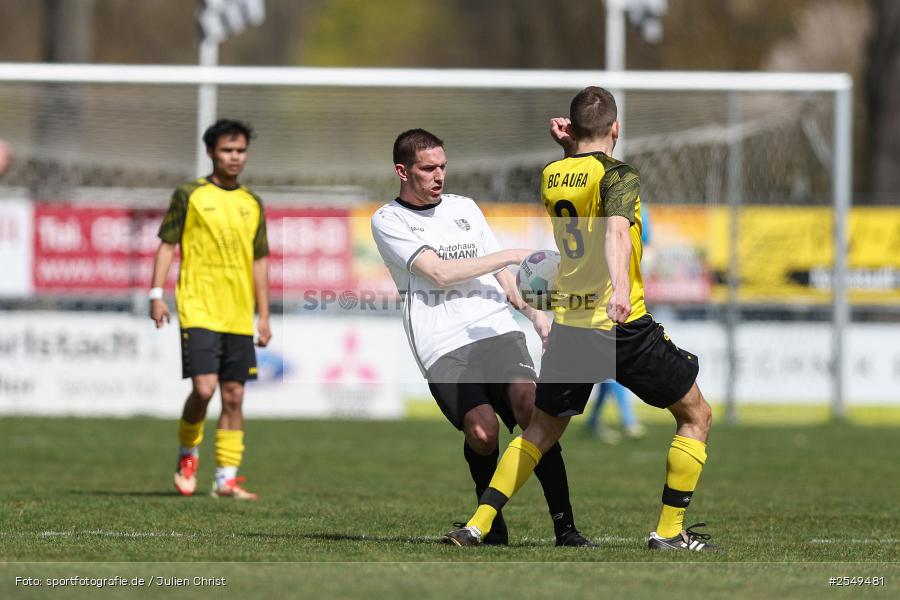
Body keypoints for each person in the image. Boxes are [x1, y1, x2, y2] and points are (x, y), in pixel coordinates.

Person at [443, 87, 715, 551]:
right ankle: (669, 532)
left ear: (573, 129)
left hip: (572, 323)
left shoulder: (552, 173)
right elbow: (614, 231)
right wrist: (623, 290)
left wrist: (569, 149)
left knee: (540, 431)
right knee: (696, 415)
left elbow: (580, 181)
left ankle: (477, 524)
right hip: (621, 324)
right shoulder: (620, 175)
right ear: (616, 129)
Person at [371, 129, 593, 547]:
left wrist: (534, 316)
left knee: (532, 410)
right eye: (428, 168)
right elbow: (438, 272)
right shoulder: (389, 219)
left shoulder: (464, 208)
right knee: (483, 431)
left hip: (496, 327)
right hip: (442, 342)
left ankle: (566, 528)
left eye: (443, 166)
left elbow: (502, 278)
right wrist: (511, 253)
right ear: (403, 171)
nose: (439, 175)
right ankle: (489, 518)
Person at [150, 118, 270, 501]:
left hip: (238, 313)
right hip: (198, 306)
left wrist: (264, 315)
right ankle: (188, 453)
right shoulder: (190, 194)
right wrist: (157, 294)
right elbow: (167, 245)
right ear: (211, 153)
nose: (234, 158)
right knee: (203, 389)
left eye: (240, 151)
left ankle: (226, 478)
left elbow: (259, 261)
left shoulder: (253, 202)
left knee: (233, 396)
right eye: (227, 150)